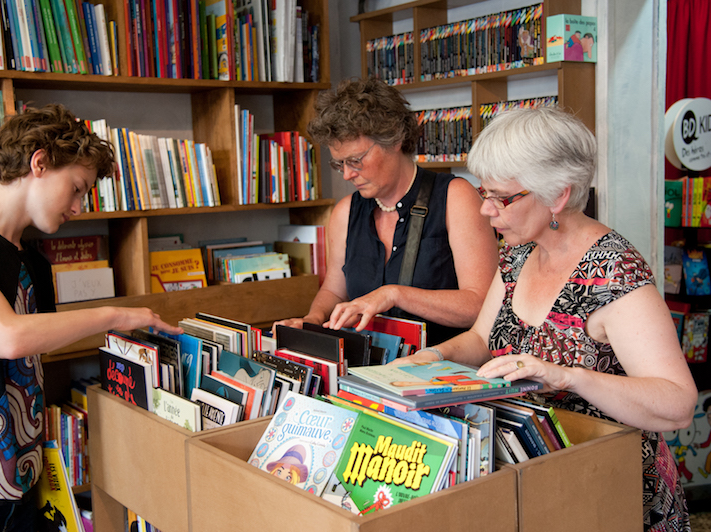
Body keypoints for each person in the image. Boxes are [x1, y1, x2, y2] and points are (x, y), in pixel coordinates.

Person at [397, 106, 697, 531]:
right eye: (484, 193)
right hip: (539, 480)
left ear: (558, 194)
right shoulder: (518, 252)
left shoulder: (615, 273)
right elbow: (482, 338)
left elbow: (678, 405)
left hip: (611, 488)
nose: (486, 210)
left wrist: (565, 376)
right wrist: (429, 358)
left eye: (501, 197)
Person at [0, 103, 183, 531]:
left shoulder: (34, 262)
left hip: (21, 489)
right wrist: (113, 314)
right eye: (77, 187)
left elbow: (39, 344)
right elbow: (8, 337)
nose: (78, 206)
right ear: (39, 162)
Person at [274, 78, 498, 345]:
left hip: (444, 371)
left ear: (394, 138)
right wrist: (312, 320)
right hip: (369, 371)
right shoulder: (345, 212)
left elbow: (481, 305)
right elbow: (334, 290)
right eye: (339, 163)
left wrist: (394, 294)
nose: (347, 174)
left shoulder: (455, 197)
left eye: (356, 160)